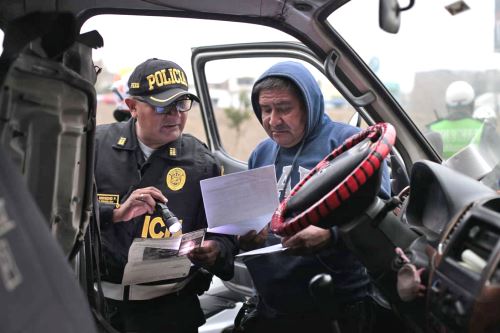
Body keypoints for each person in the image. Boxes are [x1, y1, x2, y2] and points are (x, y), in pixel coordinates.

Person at [236, 61, 391, 333]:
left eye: (284, 109)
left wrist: (329, 235)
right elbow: (254, 219)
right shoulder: (260, 154)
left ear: (309, 105)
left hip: (336, 305)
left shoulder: (349, 143)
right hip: (273, 306)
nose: (273, 120)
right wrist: (247, 236)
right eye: (266, 110)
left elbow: (380, 215)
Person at [94, 58, 237, 333]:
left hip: (169, 313)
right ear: (133, 107)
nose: (175, 115)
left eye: (181, 104)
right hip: (99, 309)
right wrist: (113, 213)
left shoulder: (202, 162)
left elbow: (225, 235)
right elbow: (62, 210)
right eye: (162, 106)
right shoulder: (95, 147)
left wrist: (215, 250)